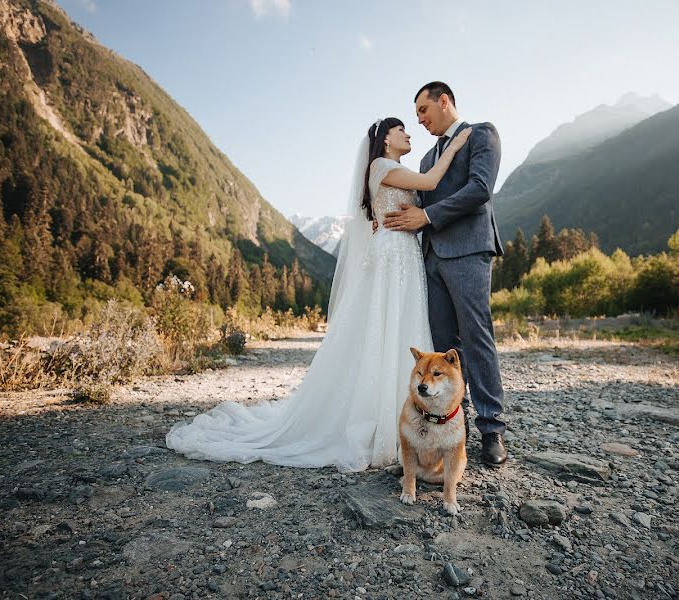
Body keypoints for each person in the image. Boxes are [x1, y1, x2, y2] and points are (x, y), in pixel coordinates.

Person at [165, 117, 471, 473]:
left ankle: (407, 424)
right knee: (385, 326)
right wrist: (456, 144)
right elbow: (432, 181)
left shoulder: (393, 169)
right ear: (385, 140)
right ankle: (384, 425)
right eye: (401, 129)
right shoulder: (382, 165)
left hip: (403, 253)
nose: (408, 133)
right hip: (392, 257)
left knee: (398, 326)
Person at [383, 82, 508, 466]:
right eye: (416, 114)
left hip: (469, 249)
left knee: (475, 336)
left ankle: (492, 429)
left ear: (444, 101)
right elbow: (414, 200)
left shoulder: (481, 134)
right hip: (431, 258)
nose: (419, 120)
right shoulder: (425, 161)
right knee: (443, 346)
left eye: (423, 110)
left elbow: (480, 189)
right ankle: (458, 425)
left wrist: (428, 216)